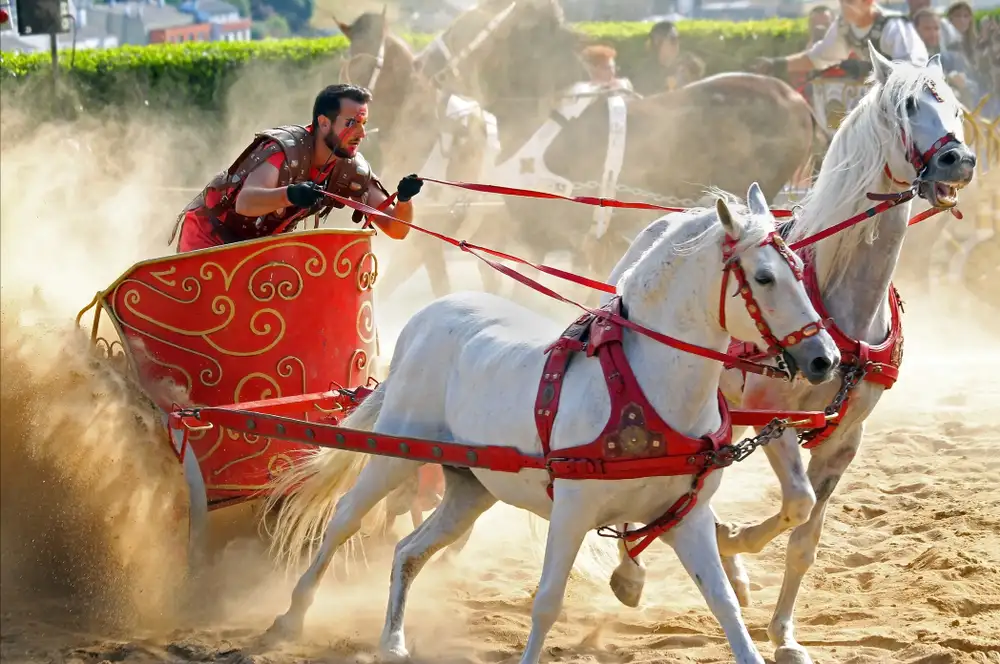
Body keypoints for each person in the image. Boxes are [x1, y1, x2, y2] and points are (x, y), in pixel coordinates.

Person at [171, 84, 422, 253]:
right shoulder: (284, 150)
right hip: (208, 241)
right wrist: (290, 194)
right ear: (323, 123)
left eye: (363, 123)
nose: (361, 133)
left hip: (258, 250)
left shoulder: (350, 169)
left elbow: (397, 229)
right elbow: (245, 202)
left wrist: (405, 199)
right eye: (351, 123)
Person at [754, 0, 928, 81]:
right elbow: (819, 57)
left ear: (868, 2)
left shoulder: (894, 26)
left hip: (912, 102)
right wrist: (777, 64)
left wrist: (866, 69)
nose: (844, 6)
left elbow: (913, 68)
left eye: (850, 1)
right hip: (877, 101)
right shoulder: (844, 26)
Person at [627, 20, 705, 95]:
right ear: (657, 42)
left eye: (678, 39)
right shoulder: (645, 72)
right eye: (673, 40)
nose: (677, 44)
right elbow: (645, 102)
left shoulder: (685, 65)